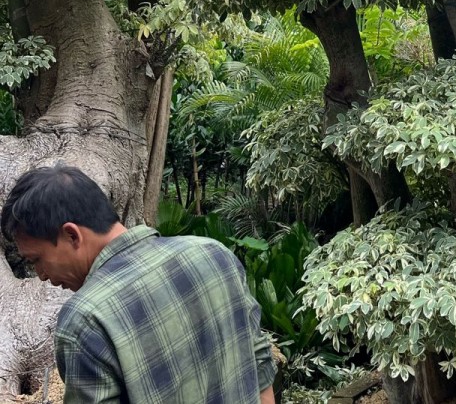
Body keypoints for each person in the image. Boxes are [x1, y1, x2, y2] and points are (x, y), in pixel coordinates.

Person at [1, 164, 276, 404]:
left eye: (37, 260)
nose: (40, 275)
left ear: (72, 235)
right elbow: (260, 363)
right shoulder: (215, 254)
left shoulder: (86, 320)